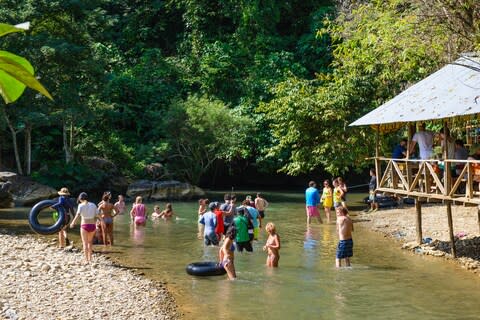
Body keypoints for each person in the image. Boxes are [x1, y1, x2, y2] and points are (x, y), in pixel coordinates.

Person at [69, 192, 100, 263]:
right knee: (90, 242)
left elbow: (77, 215)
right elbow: (98, 215)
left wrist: (73, 222)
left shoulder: (80, 205)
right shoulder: (93, 204)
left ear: (80, 199)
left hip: (84, 225)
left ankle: (86, 260)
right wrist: (102, 222)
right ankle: (91, 259)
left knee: (85, 243)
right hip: (92, 226)